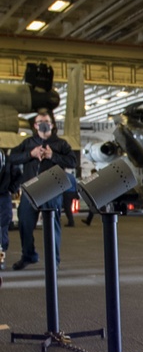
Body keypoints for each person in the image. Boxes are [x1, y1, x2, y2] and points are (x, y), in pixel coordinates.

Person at [9, 110, 76, 269]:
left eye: (47, 121)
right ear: (35, 125)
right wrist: (30, 154)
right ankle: (28, 255)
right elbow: (12, 157)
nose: (44, 124)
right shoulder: (28, 143)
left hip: (51, 189)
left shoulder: (61, 144)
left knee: (52, 227)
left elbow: (73, 162)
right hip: (30, 190)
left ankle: (54, 260)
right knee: (24, 223)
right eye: (40, 122)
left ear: (52, 125)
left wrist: (53, 156)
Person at [0, 149, 21, 270]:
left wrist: (11, 189)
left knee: (2, 226)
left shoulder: (8, 161)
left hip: (3, 196)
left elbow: (18, 176)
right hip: (4, 196)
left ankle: (1, 257)